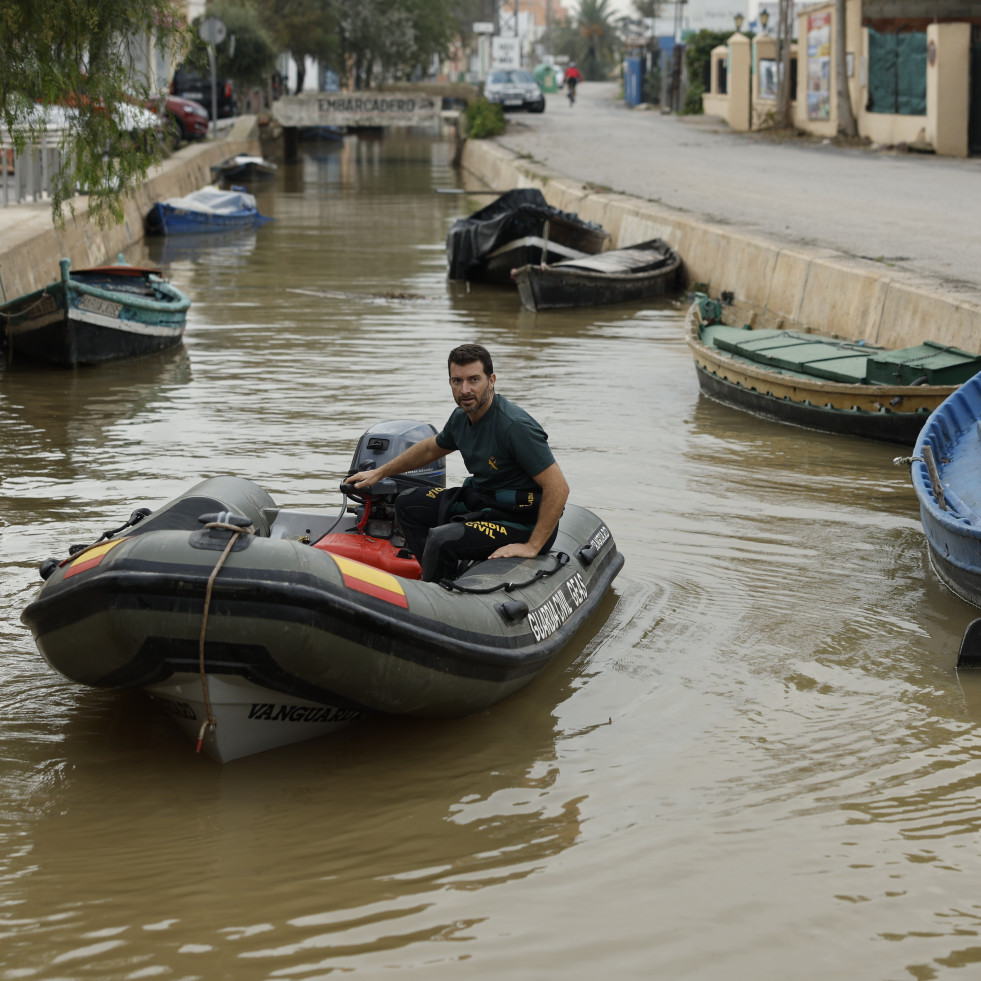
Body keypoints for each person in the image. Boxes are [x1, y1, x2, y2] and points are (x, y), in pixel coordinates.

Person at [345, 343, 570, 582]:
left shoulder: (514, 427)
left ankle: (439, 593)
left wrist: (534, 545)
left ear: (491, 380)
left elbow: (558, 488)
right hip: (484, 503)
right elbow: (431, 448)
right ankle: (439, 579)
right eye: (457, 381)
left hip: (521, 520)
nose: (465, 390)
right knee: (408, 504)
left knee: (443, 539)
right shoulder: (461, 417)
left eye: (474, 380)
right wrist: (380, 472)